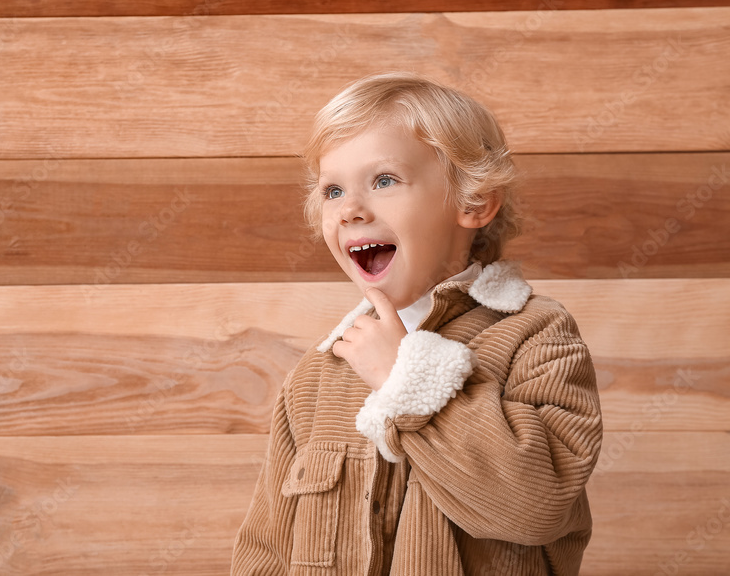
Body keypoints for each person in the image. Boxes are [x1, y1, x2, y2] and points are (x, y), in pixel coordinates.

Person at [230, 72, 603, 575]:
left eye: (384, 180)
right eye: (333, 190)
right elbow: (267, 547)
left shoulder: (537, 336)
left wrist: (405, 380)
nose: (350, 211)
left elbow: (537, 509)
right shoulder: (317, 376)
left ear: (473, 202)